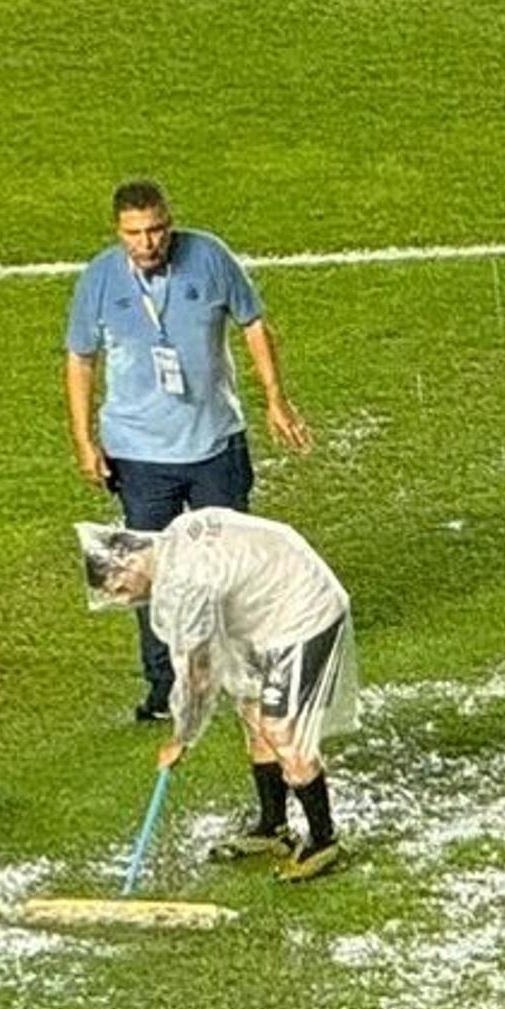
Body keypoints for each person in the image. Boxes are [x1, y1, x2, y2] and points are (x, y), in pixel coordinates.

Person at [63, 179, 313, 721]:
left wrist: (276, 399)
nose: (148, 243)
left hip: (215, 443)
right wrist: (85, 440)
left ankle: (244, 666)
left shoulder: (210, 256)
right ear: (117, 231)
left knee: (230, 562)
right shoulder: (100, 279)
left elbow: (253, 323)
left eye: (156, 230)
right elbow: (81, 358)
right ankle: (163, 686)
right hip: (138, 452)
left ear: (170, 223)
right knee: (146, 572)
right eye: (135, 233)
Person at [78, 510, 354, 879]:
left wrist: (183, 738)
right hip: (267, 611)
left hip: (302, 615)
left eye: (121, 590)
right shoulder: (172, 542)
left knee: (281, 730)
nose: (127, 601)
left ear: (128, 563)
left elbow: (199, 674)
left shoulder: (183, 581)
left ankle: (324, 841)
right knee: (253, 715)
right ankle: (273, 827)